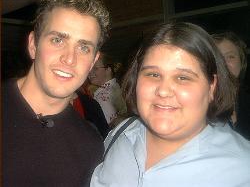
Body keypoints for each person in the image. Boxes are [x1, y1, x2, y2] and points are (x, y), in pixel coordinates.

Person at [90, 22, 250, 187]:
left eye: (183, 77)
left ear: (212, 87)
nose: (164, 91)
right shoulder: (120, 136)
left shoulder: (242, 170)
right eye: (153, 74)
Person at [3, 0, 110, 186]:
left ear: (93, 61)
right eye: (57, 40)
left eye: (84, 47)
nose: (69, 59)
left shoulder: (90, 146)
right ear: (33, 45)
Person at [212, 31, 250, 139]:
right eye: (217, 58)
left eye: (230, 57)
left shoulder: (246, 101)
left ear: (241, 62)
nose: (223, 63)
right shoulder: (197, 105)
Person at [88, 52, 127, 126]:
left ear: (108, 70)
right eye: (89, 68)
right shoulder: (117, 86)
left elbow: (105, 128)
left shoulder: (103, 96)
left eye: (95, 68)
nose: (90, 72)